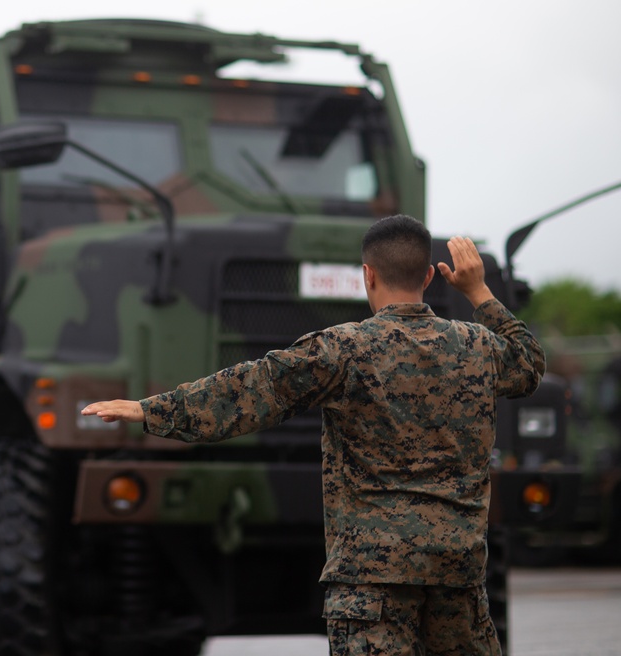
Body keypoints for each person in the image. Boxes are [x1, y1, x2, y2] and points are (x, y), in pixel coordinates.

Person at [81, 214, 544, 655]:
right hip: (457, 574)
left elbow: (248, 390)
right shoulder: (479, 347)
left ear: (368, 275)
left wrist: (149, 410)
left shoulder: (343, 349)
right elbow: (528, 364)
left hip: (371, 579)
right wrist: (479, 290)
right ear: (427, 277)